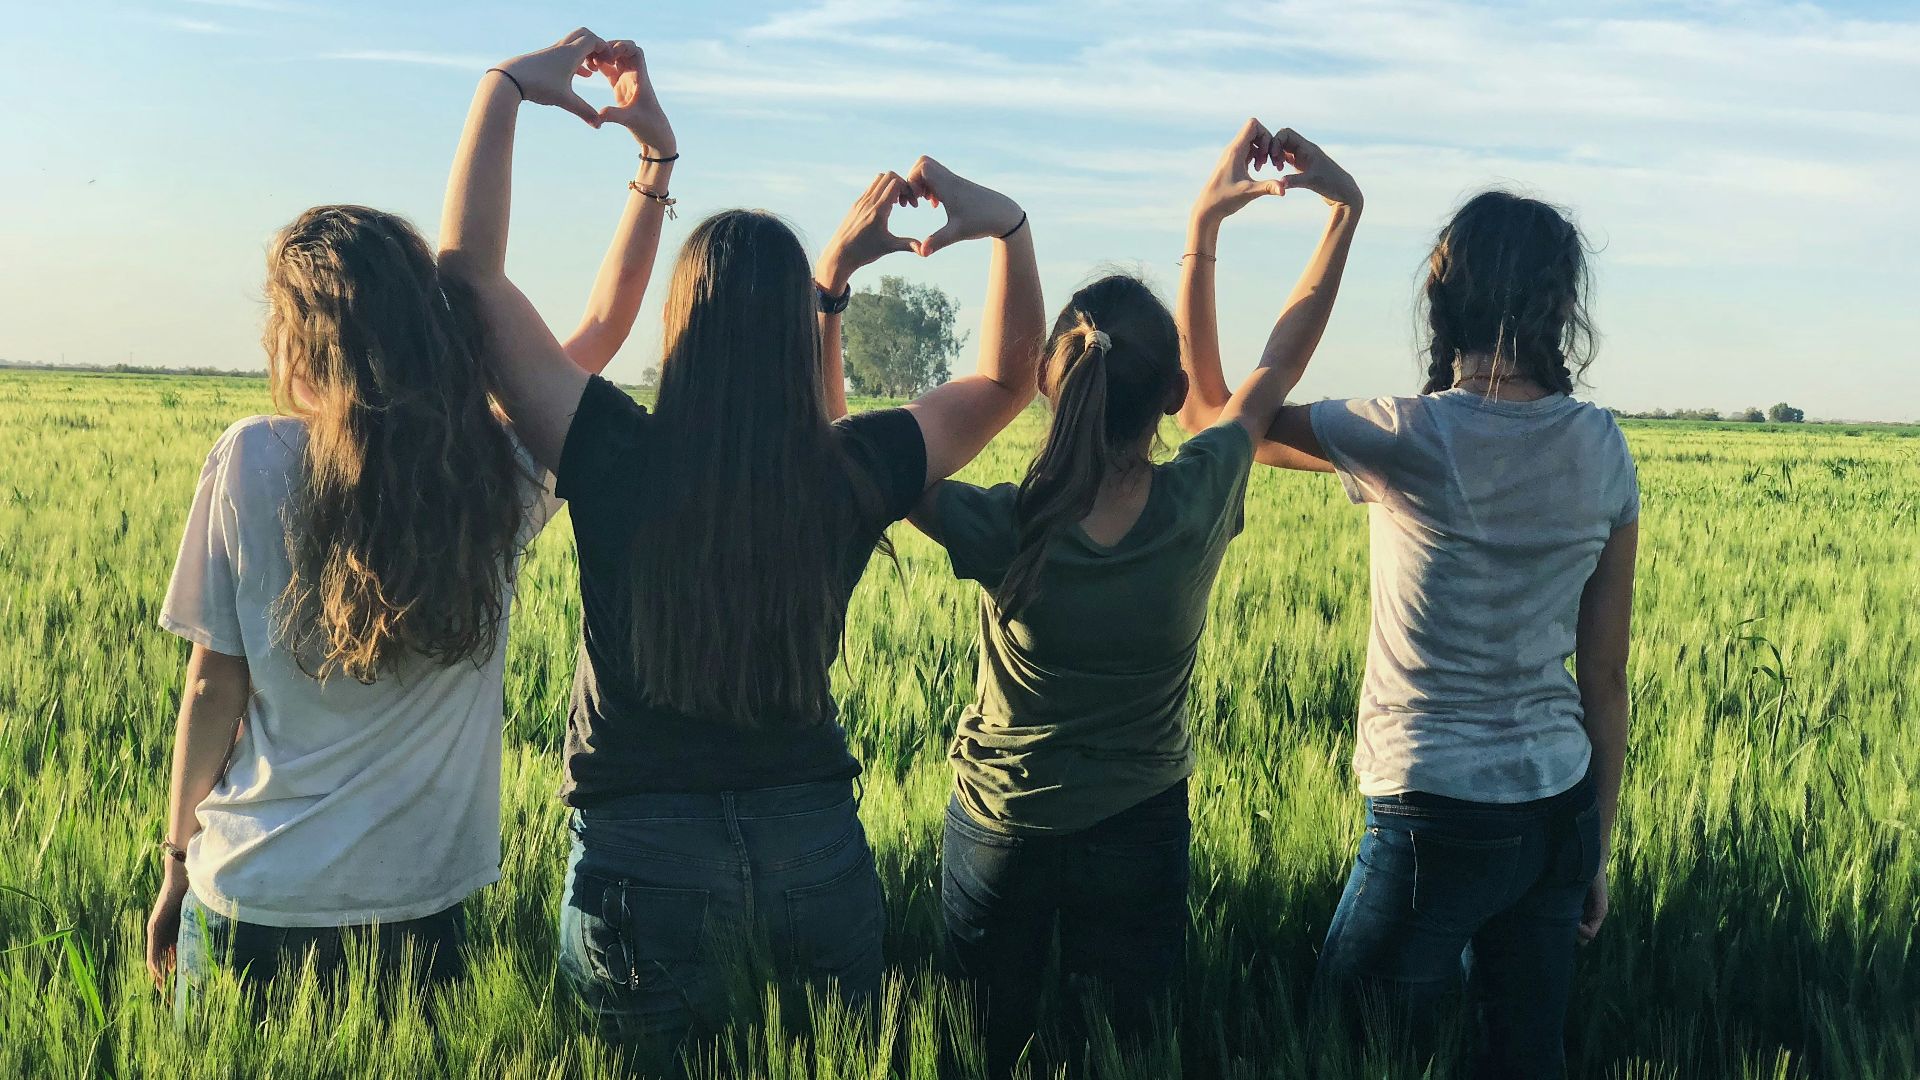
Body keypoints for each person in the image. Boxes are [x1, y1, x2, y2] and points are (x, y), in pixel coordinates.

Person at [434, 29, 1047, 1060]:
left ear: (682, 328)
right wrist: (1007, 229)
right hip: (815, 851)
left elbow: (469, 283)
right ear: (792, 336)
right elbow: (1007, 378)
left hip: (641, 863)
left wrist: (504, 89)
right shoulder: (850, 469)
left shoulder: (612, 451)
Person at [143, 37, 670, 1020]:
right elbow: (601, 328)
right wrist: (652, 165)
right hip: (418, 909)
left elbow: (213, 684)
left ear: (298, 341)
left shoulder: (249, 459)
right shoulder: (494, 474)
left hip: (251, 892)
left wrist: (176, 861)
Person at [908, 120, 1361, 1075]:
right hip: (1140, 826)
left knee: (978, 1051)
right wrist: (1330, 215)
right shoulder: (1200, 496)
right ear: (1172, 392)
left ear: (1051, 387)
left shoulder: (1009, 522)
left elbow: (864, 462)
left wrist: (832, 293)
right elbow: (1279, 361)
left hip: (1002, 824)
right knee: (1127, 1052)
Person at [1178, 163, 1639, 1076]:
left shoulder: (1407, 432)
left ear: (1445, 298)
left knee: (1347, 1048)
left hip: (1433, 813)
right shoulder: (1603, 446)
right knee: (1524, 1059)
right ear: (1560, 307)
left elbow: (1208, 417)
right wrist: (1596, 844)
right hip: (1558, 810)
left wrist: (1207, 228)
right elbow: (1607, 677)